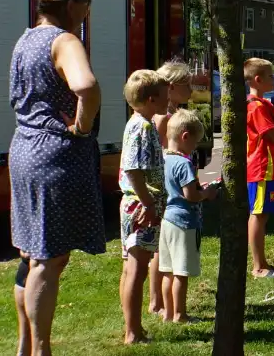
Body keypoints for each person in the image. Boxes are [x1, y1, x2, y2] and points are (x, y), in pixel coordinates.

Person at [9, 0, 101, 356]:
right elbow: (86, 86)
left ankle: (25, 345)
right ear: (69, 6)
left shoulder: (25, 39)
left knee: (31, 254)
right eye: (83, 9)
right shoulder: (64, 40)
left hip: (24, 148)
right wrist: (82, 127)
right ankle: (42, 350)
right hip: (54, 153)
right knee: (49, 257)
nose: (84, 16)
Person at [118, 69, 170, 344]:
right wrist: (148, 203)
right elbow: (134, 171)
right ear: (151, 99)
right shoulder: (144, 127)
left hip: (134, 204)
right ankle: (133, 331)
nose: (168, 100)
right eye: (164, 96)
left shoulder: (136, 122)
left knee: (130, 266)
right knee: (136, 269)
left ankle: (132, 325)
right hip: (140, 206)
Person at [159, 109, 218, 323]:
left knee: (167, 271)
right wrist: (207, 193)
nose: (194, 148)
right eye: (195, 143)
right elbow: (190, 195)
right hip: (184, 222)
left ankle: (167, 312)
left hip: (166, 219)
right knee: (181, 272)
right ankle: (180, 314)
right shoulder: (184, 163)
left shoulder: (164, 158)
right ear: (185, 137)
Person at [148, 60, 194, 318]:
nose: (192, 89)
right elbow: (164, 154)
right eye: (187, 84)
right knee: (159, 248)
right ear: (172, 86)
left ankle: (161, 301)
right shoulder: (164, 118)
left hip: (168, 189)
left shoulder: (172, 112)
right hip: (164, 191)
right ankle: (157, 301)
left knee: (161, 247)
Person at [245, 57, 274, 278]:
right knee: (258, 214)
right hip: (261, 167)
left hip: (270, 168)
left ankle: (263, 262)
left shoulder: (267, 104)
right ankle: (258, 266)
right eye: (271, 76)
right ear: (258, 79)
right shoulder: (256, 107)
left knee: (264, 214)